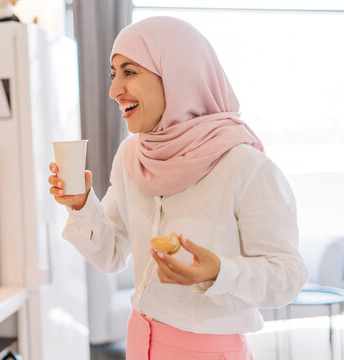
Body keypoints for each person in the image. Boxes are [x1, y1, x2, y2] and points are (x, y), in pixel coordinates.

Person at [49, 16, 308, 359]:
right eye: (114, 75)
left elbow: (287, 277)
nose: (114, 91)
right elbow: (113, 254)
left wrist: (219, 272)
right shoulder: (131, 154)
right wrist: (82, 205)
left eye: (130, 72)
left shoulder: (244, 165)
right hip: (140, 340)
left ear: (176, 73)